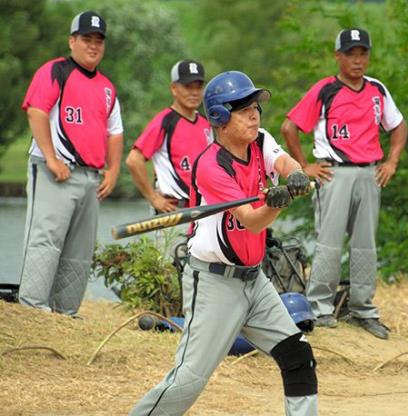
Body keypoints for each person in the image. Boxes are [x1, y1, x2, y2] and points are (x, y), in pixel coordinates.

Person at [129, 71, 318, 416]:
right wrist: (276, 203)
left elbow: (282, 160)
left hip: (254, 280)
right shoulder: (210, 165)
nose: (253, 114)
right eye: (242, 108)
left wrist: (296, 174)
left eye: (255, 106)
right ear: (218, 117)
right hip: (214, 282)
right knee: (188, 380)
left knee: (298, 357)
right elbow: (251, 220)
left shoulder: (260, 140)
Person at [281, 27, 408, 339]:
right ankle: (320, 308)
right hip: (334, 172)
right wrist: (305, 166)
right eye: (350, 53)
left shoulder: (377, 89)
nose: (357, 59)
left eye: (362, 53)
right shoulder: (326, 90)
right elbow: (289, 127)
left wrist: (392, 160)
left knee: (365, 244)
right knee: (329, 242)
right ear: (338, 56)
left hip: (370, 172)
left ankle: (362, 308)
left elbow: (399, 125)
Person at [18, 11, 123, 316]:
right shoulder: (56, 71)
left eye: (98, 40)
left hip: (91, 176)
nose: (93, 46)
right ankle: (34, 307)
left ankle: (65, 312)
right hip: (55, 172)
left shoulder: (107, 87)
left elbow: (115, 131)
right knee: (46, 239)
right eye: (86, 39)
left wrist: (114, 170)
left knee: (79, 250)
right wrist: (51, 157)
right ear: (72, 41)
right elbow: (36, 111)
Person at [126, 60, 210, 214]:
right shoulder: (165, 121)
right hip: (173, 210)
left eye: (198, 87)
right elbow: (133, 160)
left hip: (202, 210)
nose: (194, 92)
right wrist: (153, 198)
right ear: (174, 88)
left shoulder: (206, 125)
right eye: (188, 86)